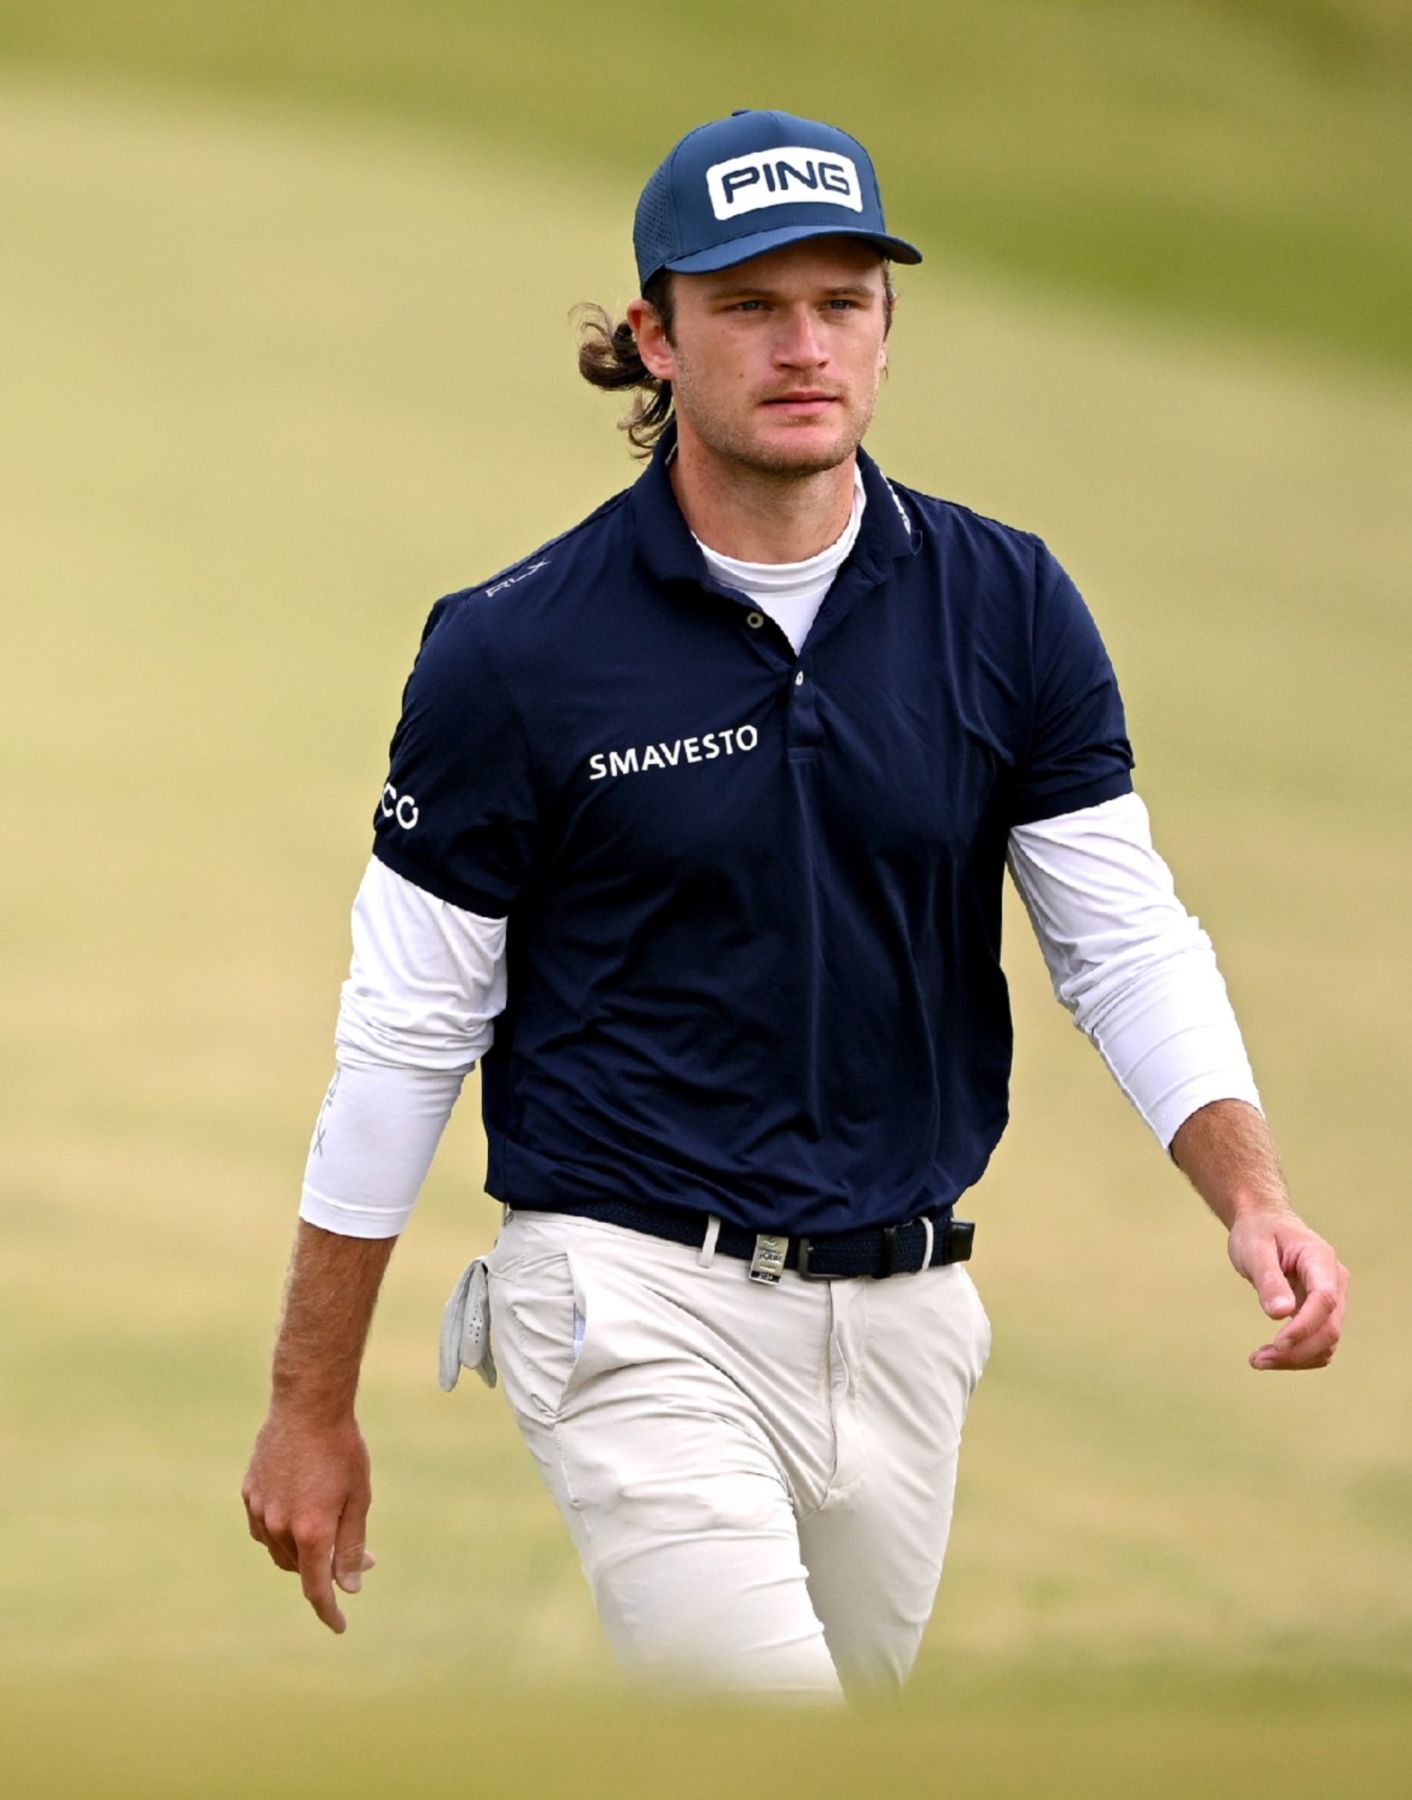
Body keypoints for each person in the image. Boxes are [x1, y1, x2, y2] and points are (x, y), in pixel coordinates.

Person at [239, 110, 1350, 1691]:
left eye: (840, 301)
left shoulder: (1007, 601)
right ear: (657, 337)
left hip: (910, 1315)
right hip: (626, 1299)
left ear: (890, 328)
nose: (802, 344)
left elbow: (1120, 939)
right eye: (749, 306)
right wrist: (309, 1396)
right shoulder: (512, 652)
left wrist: (1253, 1196)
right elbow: (406, 1034)